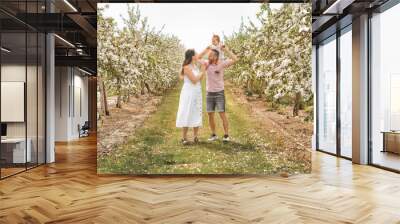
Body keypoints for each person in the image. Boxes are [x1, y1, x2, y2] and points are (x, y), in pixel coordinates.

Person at [198, 35, 238, 142]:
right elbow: (197, 58)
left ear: (216, 56)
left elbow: (235, 59)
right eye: (209, 55)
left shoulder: (222, 64)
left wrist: (226, 50)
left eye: (211, 55)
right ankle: (214, 134)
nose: (209, 56)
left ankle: (226, 135)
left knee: (222, 113)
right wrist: (206, 50)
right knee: (210, 114)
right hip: (209, 93)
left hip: (219, 93)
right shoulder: (206, 64)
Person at [176, 49, 206, 145]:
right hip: (189, 92)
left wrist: (202, 69)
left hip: (196, 91)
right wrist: (202, 71)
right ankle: (184, 137)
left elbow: (200, 79)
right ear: (192, 56)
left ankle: (195, 136)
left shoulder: (195, 66)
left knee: (196, 111)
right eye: (196, 54)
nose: (197, 55)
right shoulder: (186, 67)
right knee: (187, 111)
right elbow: (194, 80)